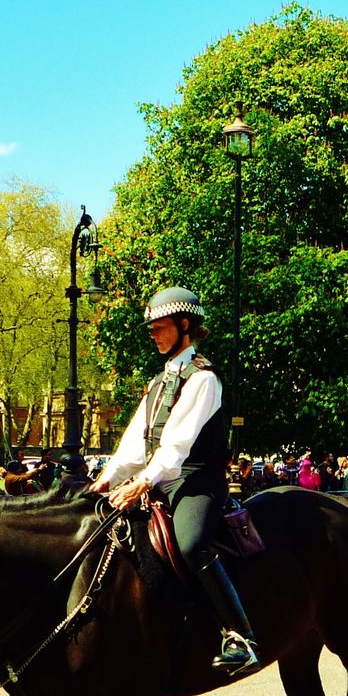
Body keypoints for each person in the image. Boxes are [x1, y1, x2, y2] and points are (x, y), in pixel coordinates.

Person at [90, 286, 259, 675]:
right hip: (160, 477)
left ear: (185, 325)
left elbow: (177, 446)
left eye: (160, 327)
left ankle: (240, 636)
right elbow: (136, 442)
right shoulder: (158, 380)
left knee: (192, 543)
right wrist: (107, 478)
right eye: (151, 329)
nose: (154, 335)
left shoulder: (202, 379)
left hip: (197, 480)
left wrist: (142, 483)